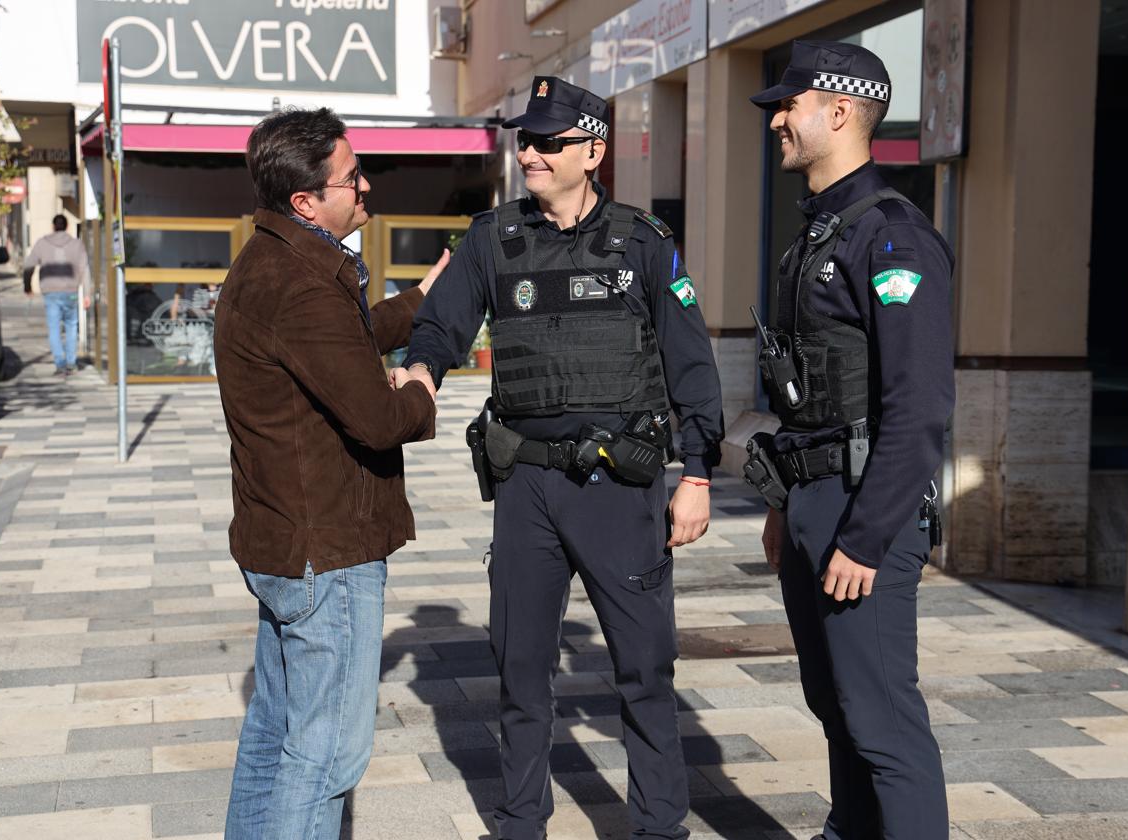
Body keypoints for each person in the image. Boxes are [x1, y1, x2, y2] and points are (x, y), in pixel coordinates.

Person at [401, 76, 725, 840]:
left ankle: (657, 826)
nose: (530, 153)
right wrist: (422, 367)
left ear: (593, 149)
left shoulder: (644, 242)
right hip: (527, 486)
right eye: (525, 139)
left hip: (619, 485)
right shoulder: (490, 238)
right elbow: (441, 324)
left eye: (548, 142)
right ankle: (520, 823)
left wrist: (700, 475)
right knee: (519, 675)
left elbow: (691, 362)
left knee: (645, 672)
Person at [214, 106, 447, 840]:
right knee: (326, 758)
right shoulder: (305, 284)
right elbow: (376, 418)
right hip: (327, 556)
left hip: (283, 544)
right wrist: (418, 391)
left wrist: (414, 304)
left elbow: (330, 350)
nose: (366, 186)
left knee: (274, 736)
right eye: (352, 178)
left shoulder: (272, 263)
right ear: (307, 201)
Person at [747, 41, 953, 840]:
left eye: (788, 108)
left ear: (838, 111)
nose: (777, 123)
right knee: (833, 705)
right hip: (813, 502)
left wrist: (864, 539)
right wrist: (782, 506)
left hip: (867, 510)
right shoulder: (817, 236)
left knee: (882, 719)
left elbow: (921, 406)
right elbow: (808, 401)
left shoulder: (891, 236)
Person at [23, 214, 90, 375]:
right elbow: (85, 269)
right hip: (71, 291)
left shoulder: (42, 243)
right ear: (67, 227)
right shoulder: (77, 244)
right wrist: (87, 293)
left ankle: (60, 363)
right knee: (71, 326)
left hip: (50, 291)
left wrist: (27, 286)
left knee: (54, 328)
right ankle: (71, 363)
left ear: (53, 226)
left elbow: (28, 265)